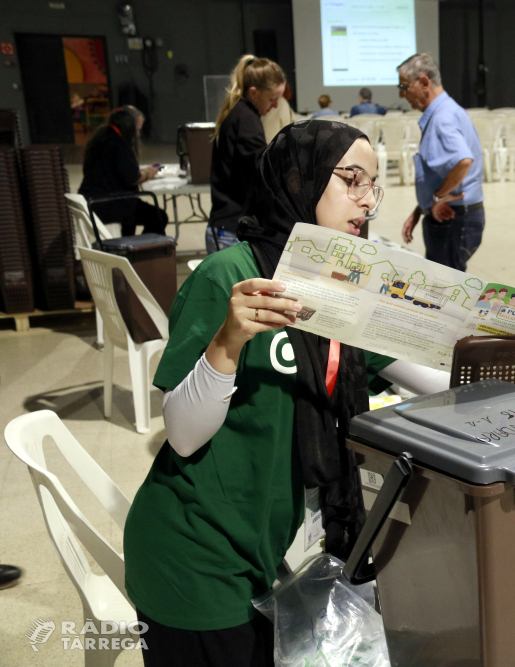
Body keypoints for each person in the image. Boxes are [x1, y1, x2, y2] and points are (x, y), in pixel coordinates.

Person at [123, 120, 448, 666]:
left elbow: (432, 379)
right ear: (302, 180)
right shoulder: (233, 275)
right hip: (194, 559)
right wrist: (227, 343)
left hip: (267, 548)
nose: (367, 201)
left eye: (374, 185)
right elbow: (180, 435)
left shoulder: (344, 290)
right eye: (352, 180)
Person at [397, 54, 485, 272]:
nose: (402, 94)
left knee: (444, 293)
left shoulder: (442, 118)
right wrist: (420, 210)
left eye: (404, 86)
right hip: (451, 216)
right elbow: (440, 173)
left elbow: (463, 161)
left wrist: (438, 197)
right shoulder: (446, 111)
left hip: (453, 219)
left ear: (424, 82)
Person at [208, 55, 286, 254]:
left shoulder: (237, 113)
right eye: (272, 99)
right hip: (231, 229)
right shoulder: (246, 119)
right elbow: (262, 169)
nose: (275, 106)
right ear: (254, 93)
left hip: (225, 227)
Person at [79, 107, 168, 237]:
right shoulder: (118, 144)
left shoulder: (102, 136)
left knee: (133, 207)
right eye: (137, 130)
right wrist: (149, 173)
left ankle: (130, 245)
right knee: (159, 217)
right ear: (129, 127)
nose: (138, 134)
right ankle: (142, 250)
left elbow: (120, 171)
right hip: (109, 204)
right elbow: (132, 178)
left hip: (93, 200)